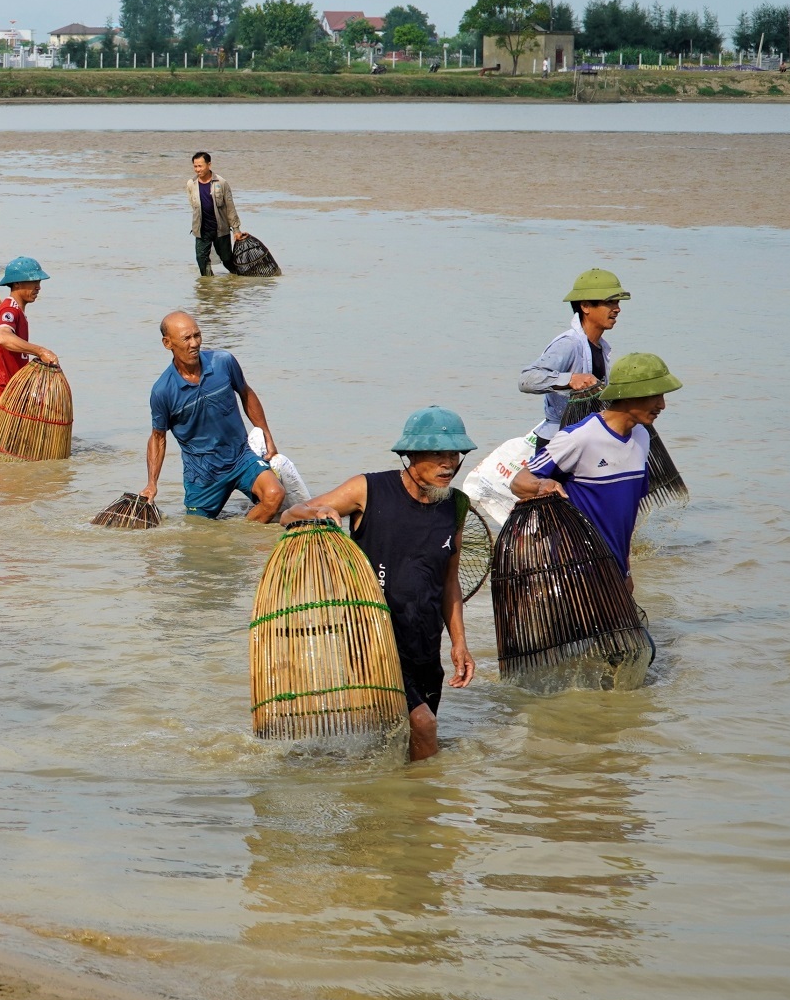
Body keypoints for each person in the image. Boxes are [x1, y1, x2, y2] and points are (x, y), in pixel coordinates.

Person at [279, 407, 480, 761]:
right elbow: (288, 514)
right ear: (411, 456)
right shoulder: (368, 489)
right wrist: (316, 513)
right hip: (373, 638)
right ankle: (424, 808)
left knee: (402, 737)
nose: (449, 464)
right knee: (425, 726)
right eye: (438, 455)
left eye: (455, 455)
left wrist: (459, 644)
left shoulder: (455, 506)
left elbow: (449, 581)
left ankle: (387, 803)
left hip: (425, 641)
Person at [511, 352, 683, 577]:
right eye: (655, 395)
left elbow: (624, 518)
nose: (662, 405)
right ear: (629, 395)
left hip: (615, 571)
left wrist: (627, 572)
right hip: (576, 570)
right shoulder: (579, 437)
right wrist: (542, 485)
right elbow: (518, 482)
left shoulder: (642, 437)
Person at [140, 311, 285, 521]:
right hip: (203, 475)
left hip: (240, 457)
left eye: (197, 335)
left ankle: (242, 539)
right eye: (186, 338)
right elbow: (158, 438)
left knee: (274, 495)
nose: (194, 344)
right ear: (167, 343)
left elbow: (246, 393)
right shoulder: (162, 391)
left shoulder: (223, 362)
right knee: (199, 535)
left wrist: (267, 436)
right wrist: (152, 483)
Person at [521, 267, 624, 442]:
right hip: (557, 440)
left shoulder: (601, 347)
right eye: (610, 303)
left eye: (617, 303)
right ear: (585, 306)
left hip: (585, 437)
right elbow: (527, 380)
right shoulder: (569, 344)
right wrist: (570, 379)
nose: (617, 309)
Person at [0, 257, 59, 418]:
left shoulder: (18, 313)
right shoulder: (10, 310)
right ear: (16, 283)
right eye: (33, 281)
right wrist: (40, 351)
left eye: (39, 282)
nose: (38, 287)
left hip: (13, 396)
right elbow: (3, 337)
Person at [187, 151, 248, 276]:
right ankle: (207, 288)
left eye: (200, 166)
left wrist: (236, 230)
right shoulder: (191, 184)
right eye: (195, 166)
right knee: (201, 259)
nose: (197, 169)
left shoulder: (221, 183)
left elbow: (230, 207)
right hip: (201, 230)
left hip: (220, 229)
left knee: (226, 259)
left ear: (209, 165)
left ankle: (238, 279)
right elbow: (193, 206)